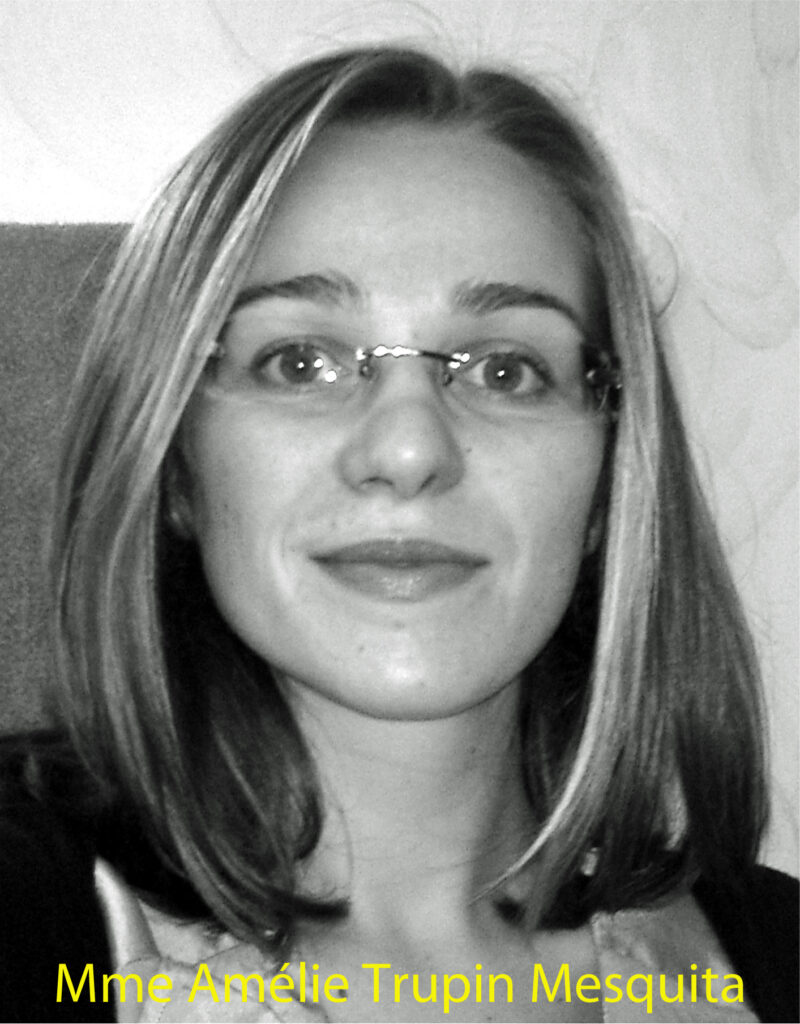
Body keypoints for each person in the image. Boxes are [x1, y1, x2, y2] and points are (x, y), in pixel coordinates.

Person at [1, 46, 796, 1024]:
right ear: (175, 465)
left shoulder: (771, 960)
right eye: (301, 361)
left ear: (609, 480)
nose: (412, 449)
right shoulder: (35, 920)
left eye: (505, 370)